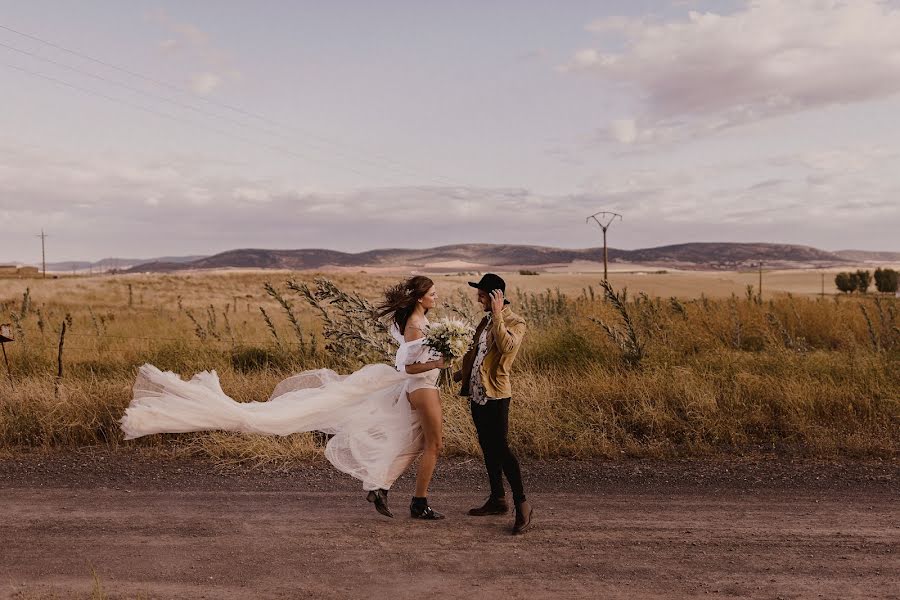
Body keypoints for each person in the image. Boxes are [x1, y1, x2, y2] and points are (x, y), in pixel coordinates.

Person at [120, 275, 447, 520]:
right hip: (421, 388)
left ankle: (383, 486)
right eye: (432, 293)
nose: (436, 296)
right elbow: (406, 366)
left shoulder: (419, 321)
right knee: (433, 445)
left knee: (418, 443)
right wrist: (443, 361)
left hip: (419, 388)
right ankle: (417, 503)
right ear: (419, 298)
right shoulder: (416, 325)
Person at [454, 273, 532, 534]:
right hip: (477, 393)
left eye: (483, 294)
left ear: (496, 296)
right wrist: (459, 374)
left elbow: (507, 347)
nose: (478, 298)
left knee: (501, 448)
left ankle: (522, 504)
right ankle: (498, 499)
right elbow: (479, 355)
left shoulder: (514, 321)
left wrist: (498, 314)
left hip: (497, 394)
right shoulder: (485, 321)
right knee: (487, 447)